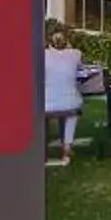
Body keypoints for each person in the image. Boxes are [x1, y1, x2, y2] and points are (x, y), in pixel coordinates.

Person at [41, 23, 86, 166]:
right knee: (69, 114)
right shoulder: (76, 54)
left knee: (44, 119)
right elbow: (82, 70)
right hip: (70, 103)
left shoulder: (42, 56)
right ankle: (67, 145)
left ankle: (42, 151)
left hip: (46, 105)